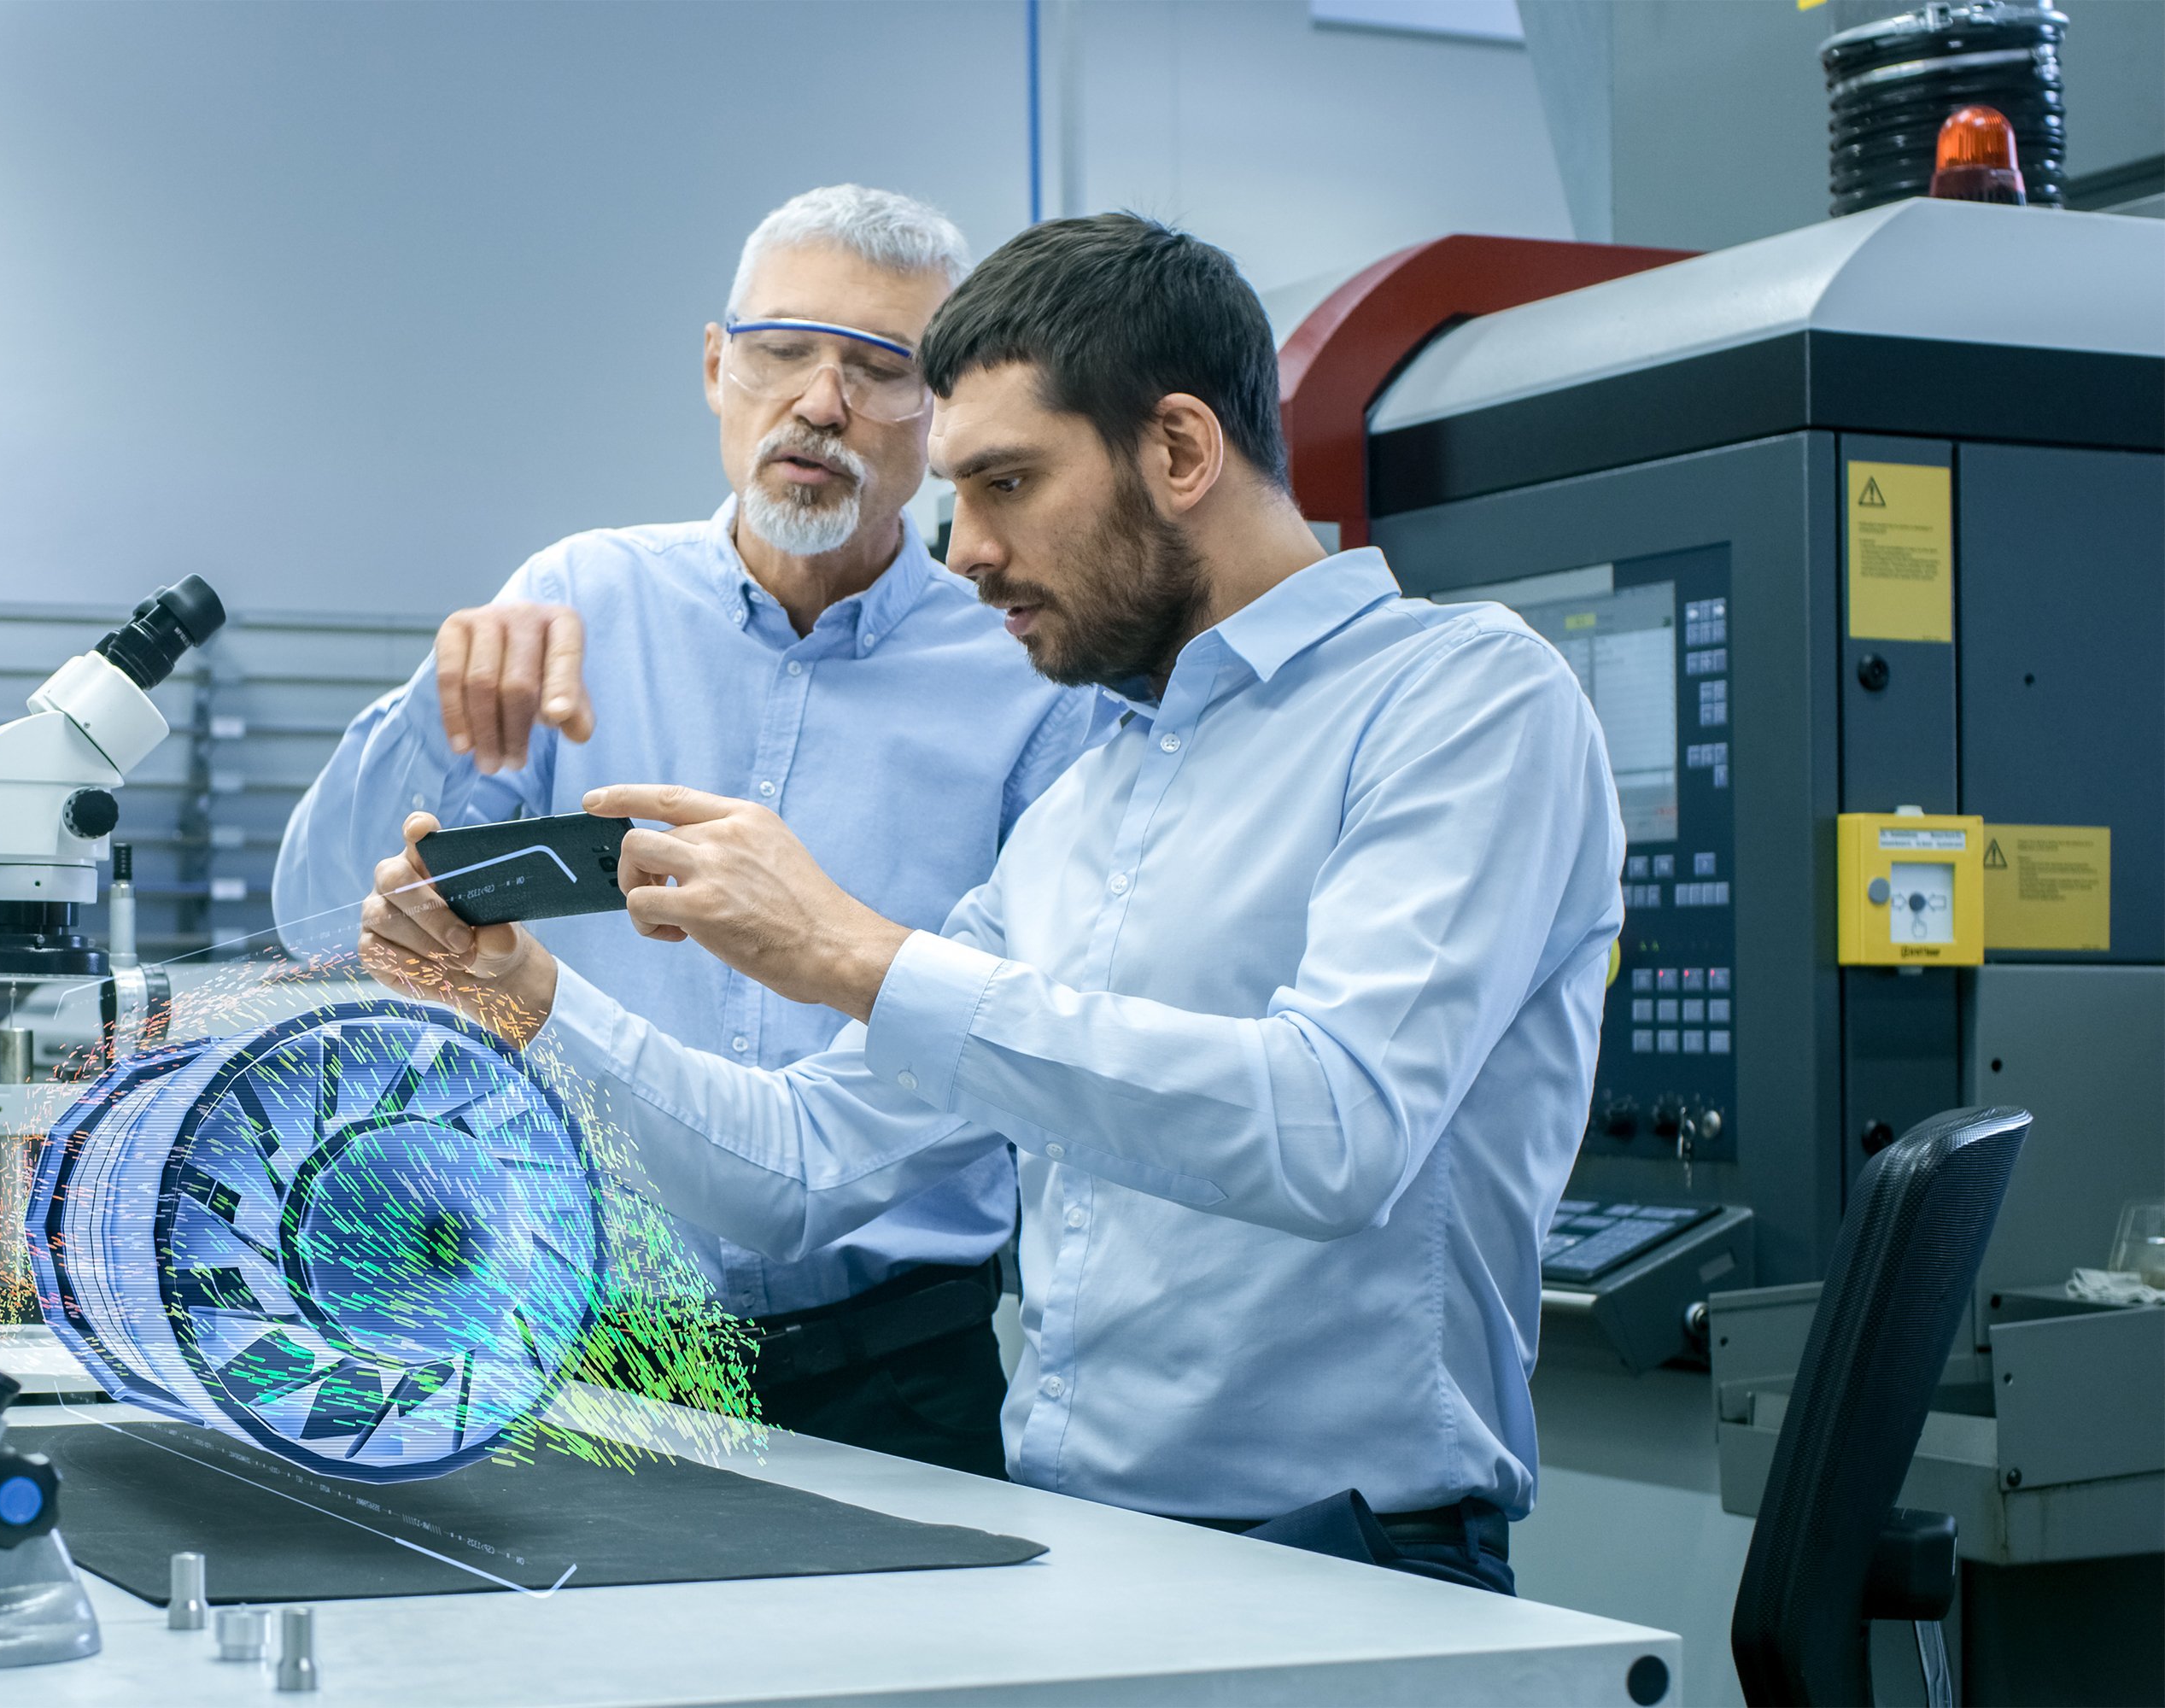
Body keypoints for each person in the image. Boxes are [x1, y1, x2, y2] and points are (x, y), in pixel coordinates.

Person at [358, 213, 1625, 1595]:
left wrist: (855, 954)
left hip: (1350, 1553)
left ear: (1183, 451)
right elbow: (797, 1169)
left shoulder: (1464, 700)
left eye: (1008, 483)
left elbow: (1337, 1130)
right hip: (1072, 1545)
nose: (962, 553)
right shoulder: (1094, 795)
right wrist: (531, 1001)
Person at [275, 187, 1093, 1479]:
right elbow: (323, 921)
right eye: (781, 352)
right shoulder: (574, 601)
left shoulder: (1026, 675)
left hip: (899, 1364)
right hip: (579, 1339)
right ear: (719, 368)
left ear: (943, 419)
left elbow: (1022, 1024)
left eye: (883, 369)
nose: (819, 403)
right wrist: (431, 717)